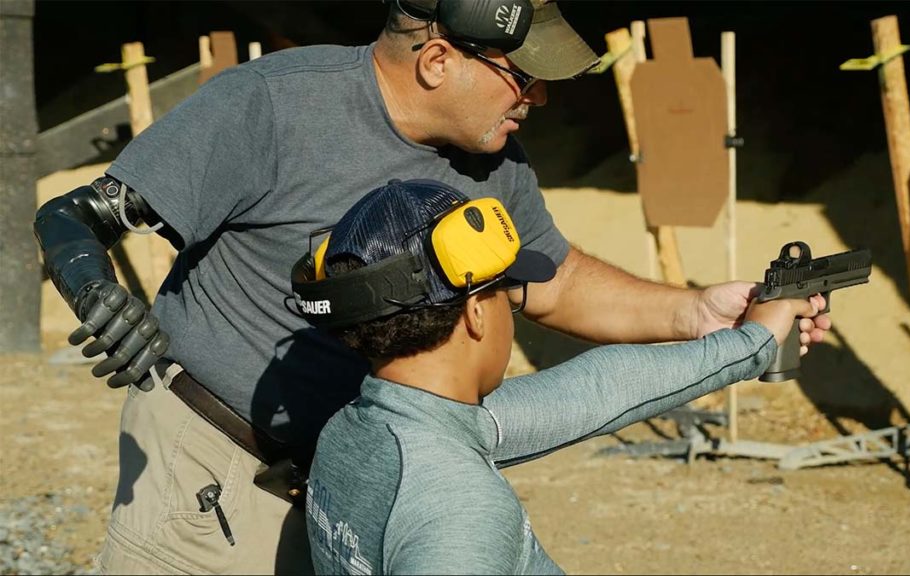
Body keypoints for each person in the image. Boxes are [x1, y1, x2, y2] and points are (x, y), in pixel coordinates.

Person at [33, 0, 831, 574]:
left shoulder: (492, 159)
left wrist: (699, 312)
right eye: (522, 76)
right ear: (438, 57)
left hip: (362, 463)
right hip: (211, 462)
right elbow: (82, 214)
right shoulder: (273, 105)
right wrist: (92, 286)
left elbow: (551, 282)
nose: (540, 97)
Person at [300, 178, 824, 575]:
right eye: (506, 292)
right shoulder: (458, 510)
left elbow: (598, 389)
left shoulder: (359, 430)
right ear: (476, 312)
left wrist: (748, 343)